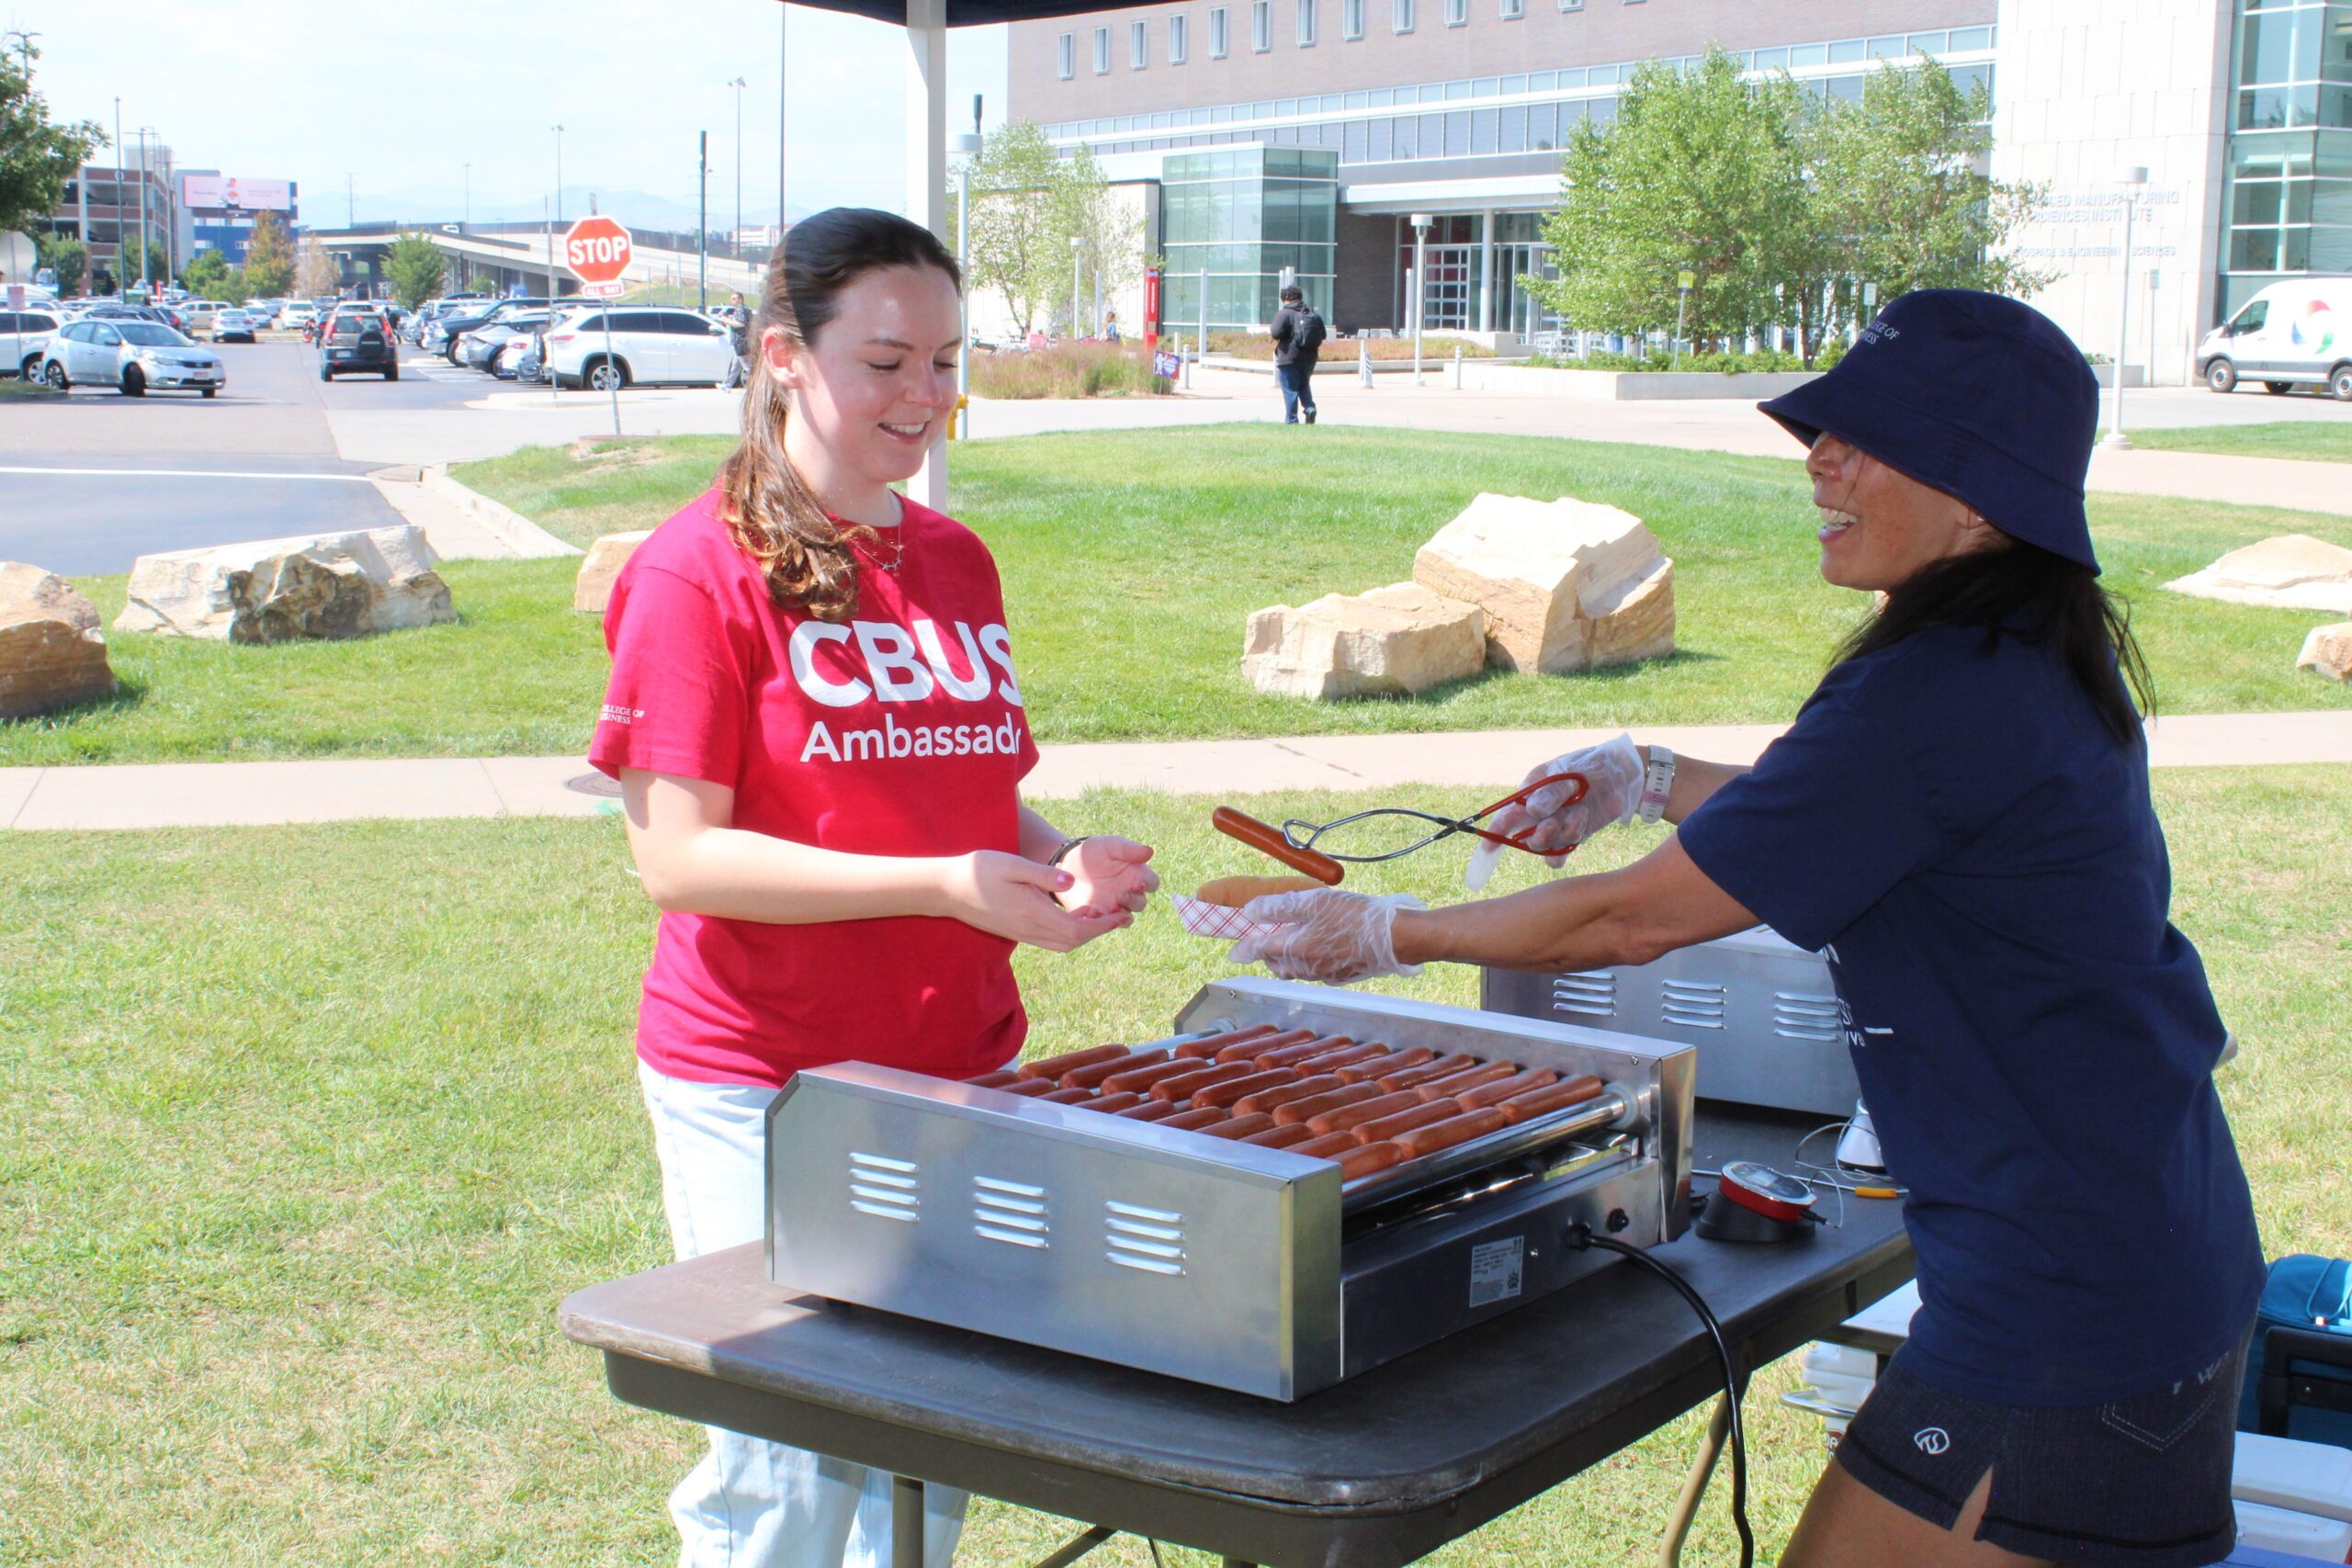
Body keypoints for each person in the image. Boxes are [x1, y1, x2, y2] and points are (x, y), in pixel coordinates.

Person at [1228, 290, 2265, 1568]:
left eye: (1868, 440)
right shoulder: (2013, 654)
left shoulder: (1938, 691)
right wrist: (1646, 774)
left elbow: (1631, 919)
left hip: (2069, 1310)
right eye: (1825, 433)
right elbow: (1839, 806)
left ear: (1980, 498)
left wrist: (1392, 932)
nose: (1820, 459)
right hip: (2139, 1248)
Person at [590, 207, 1160, 1568]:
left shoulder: (955, 560)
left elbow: (970, 790)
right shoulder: (694, 572)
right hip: (767, 1083)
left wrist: (1055, 857)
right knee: (788, 1459)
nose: (926, 396)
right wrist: (942, 884)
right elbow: (677, 857)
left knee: (926, 1451)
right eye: (888, 362)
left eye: (947, 362)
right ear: (785, 356)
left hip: (958, 1073)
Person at [1269, 284, 1325, 424]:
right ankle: (1309, 408)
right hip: (1310, 358)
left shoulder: (1284, 313)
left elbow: (1275, 333)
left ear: (1286, 298)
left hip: (1289, 357)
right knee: (1304, 385)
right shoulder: (1313, 314)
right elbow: (1323, 334)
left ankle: (1292, 419)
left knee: (1290, 389)